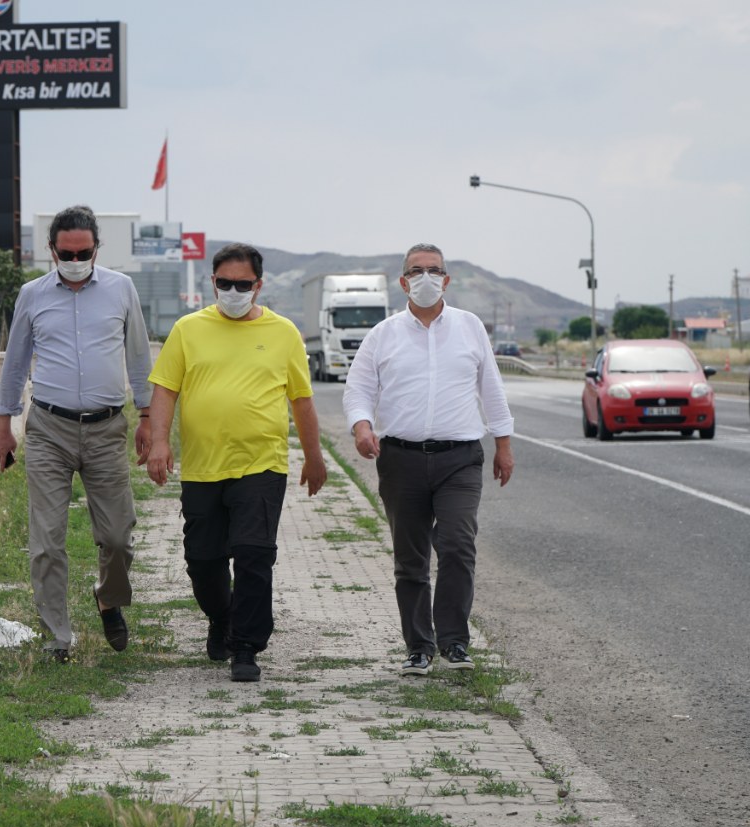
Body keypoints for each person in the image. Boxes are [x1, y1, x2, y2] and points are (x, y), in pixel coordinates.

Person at [145, 242, 327, 682]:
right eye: (224, 283)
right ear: (212, 282)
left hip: (262, 464)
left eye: (242, 285)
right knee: (203, 559)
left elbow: (301, 400)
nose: (232, 291)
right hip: (202, 467)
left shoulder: (283, 333)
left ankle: (246, 646)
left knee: (253, 554)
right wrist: (159, 443)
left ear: (258, 286)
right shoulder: (188, 330)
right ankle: (221, 617)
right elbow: (166, 389)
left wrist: (314, 456)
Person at [342, 242, 514, 677]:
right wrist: (362, 426)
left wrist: (504, 444)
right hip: (401, 460)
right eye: (416, 271)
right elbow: (358, 388)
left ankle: (454, 641)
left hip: (460, 459)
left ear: (446, 280)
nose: (425, 278)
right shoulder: (383, 334)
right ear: (403, 282)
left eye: (433, 270)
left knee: (457, 545)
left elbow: (491, 387)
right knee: (411, 559)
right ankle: (419, 646)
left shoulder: (469, 327)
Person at [0, 205, 153, 662]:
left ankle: (109, 598)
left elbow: (138, 356)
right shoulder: (32, 295)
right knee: (47, 540)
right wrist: (4, 427)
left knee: (118, 536)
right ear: (52, 250)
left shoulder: (121, 289)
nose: (76, 260)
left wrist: (148, 417)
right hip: (49, 429)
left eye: (84, 253)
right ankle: (57, 637)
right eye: (67, 253)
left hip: (106, 428)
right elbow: (15, 363)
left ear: (97, 248)